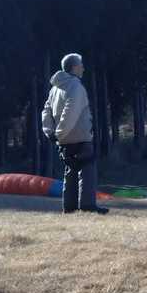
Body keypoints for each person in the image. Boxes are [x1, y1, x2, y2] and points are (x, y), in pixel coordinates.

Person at [40, 53, 108, 215]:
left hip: (63, 139)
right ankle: (87, 205)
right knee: (87, 169)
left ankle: (69, 207)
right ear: (74, 67)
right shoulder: (76, 86)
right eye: (81, 65)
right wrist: (60, 133)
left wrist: (51, 133)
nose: (83, 68)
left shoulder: (55, 88)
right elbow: (70, 112)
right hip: (78, 136)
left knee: (70, 170)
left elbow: (46, 111)